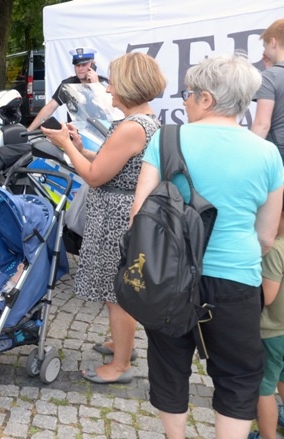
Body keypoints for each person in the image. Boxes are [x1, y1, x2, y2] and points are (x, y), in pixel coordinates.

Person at [130, 53, 283, 439]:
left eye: (189, 94)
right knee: (237, 374)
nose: (184, 100)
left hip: (168, 277)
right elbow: (267, 236)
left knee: (168, 363)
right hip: (235, 280)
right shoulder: (268, 154)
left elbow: (139, 217)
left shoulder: (165, 139)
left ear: (207, 99)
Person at [42, 52, 165, 384]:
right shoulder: (144, 121)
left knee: (117, 293)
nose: (108, 90)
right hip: (119, 212)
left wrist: (66, 146)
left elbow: (96, 176)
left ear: (128, 86)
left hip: (117, 218)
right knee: (119, 288)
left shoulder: (131, 127)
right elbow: (112, 163)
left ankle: (121, 364)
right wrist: (81, 148)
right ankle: (121, 344)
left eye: (113, 84)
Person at [249, 199, 284, 439]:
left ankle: (267, 436)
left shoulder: (275, 250)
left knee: (263, 390)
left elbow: (267, 296)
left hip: (270, 332)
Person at [28, 47, 108, 131]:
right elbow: (50, 108)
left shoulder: (104, 83)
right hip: (77, 134)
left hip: (101, 132)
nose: (80, 68)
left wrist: (96, 85)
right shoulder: (68, 84)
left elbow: (110, 110)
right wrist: (28, 131)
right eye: (77, 65)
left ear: (93, 64)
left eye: (84, 65)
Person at [251, 19, 284, 162]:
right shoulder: (271, 75)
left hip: (278, 153)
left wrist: (246, 153)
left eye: (264, 46)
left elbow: (262, 124)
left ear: (273, 42)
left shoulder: (269, 77)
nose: (264, 52)